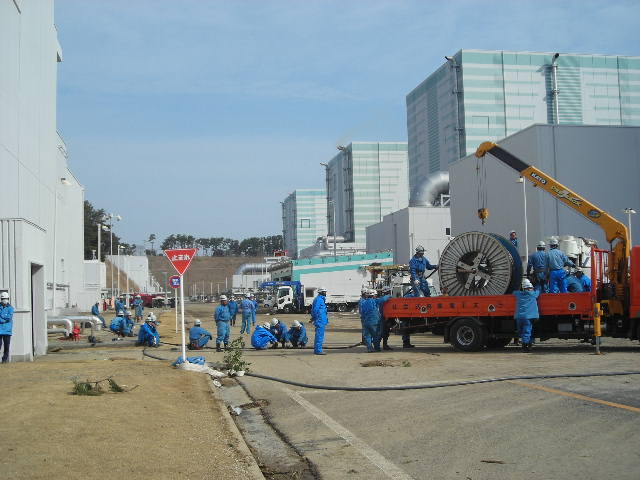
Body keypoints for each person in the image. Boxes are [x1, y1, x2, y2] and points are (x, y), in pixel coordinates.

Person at [513, 279, 540, 352]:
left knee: (521, 331)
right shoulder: (533, 294)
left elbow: (514, 292)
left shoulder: (518, 294)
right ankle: (525, 346)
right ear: (530, 287)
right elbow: (538, 291)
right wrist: (537, 284)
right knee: (527, 331)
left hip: (518, 317)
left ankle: (528, 343)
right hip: (528, 317)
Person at [310, 287, 328, 355]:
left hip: (321, 320)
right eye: (324, 292)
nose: (325, 293)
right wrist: (314, 318)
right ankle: (318, 350)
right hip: (320, 321)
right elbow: (315, 310)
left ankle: (318, 349)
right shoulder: (319, 300)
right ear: (321, 292)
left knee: (320, 335)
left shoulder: (321, 299)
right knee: (319, 336)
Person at [0, 292, 14, 363]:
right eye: (2, 299)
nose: (4, 300)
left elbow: (9, 317)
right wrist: (4, 319)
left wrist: (1, 317)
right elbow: (6, 318)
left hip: (7, 331)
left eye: (5, 298)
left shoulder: (10, 308)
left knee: (6, 346)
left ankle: (4, 360)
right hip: (0, 330)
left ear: (8, 299)